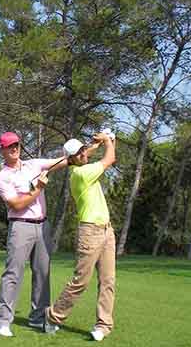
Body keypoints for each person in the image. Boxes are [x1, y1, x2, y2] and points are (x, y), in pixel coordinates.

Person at [0, 131, 67, 337]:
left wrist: (86, 148)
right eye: (9, 146)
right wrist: (38, 189)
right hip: (20, 226)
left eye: (16, 144)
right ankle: (3, 321)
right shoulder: (3, 177)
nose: (14, 148)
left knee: (42, 274)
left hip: (43, 226)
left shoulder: (33, 164)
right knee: (13, 274)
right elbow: (16, 205)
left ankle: (38, 318)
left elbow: (60, 161)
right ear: (2, 150)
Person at [44, 131, 117, 342]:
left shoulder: (84, 164)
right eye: (79, 152)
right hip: (90, 231)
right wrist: (107, 141)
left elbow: (92, 152)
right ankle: (53, 317)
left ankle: (103, 326)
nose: (84, 153)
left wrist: (99, 143)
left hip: (107, 230)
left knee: (108, 281)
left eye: (83, 149)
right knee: (80, 281)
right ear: (72, 159)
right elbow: (110, 158)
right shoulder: (80, 174)